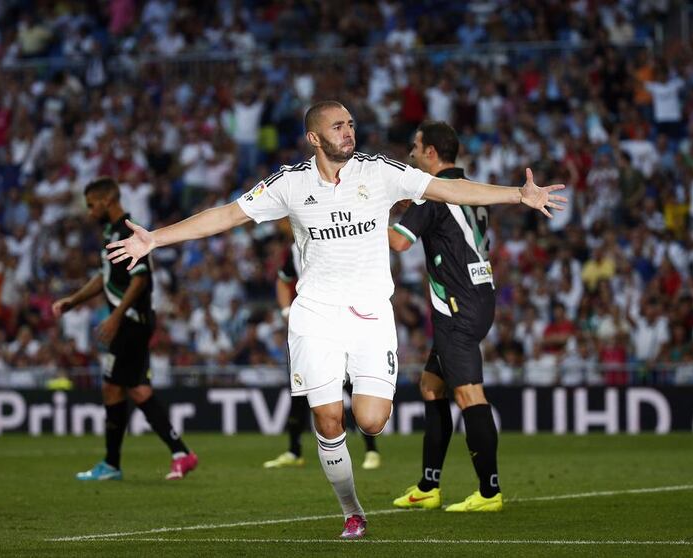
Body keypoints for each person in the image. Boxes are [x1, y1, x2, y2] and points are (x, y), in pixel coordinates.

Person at [105, 101, 566, 539]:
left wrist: (516, 195)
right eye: (339, 126)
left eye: (351, 124)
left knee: (370, 421)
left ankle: (370, 462)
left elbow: (447, 188)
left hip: (370, 316)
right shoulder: (289, 183)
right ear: (314, 138)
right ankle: (352, 512)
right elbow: (227, 215)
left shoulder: (380, 171)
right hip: (314, 315)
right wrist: (156, 240)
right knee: (327, 421)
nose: (350, 131)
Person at [388, 121, 503, 512]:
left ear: (432, 153)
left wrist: (365, 216)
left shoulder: (432, 197)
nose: (411, 154)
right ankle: (428, 485)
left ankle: (490, 492)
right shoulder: (473, 191)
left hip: (457, 305)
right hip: (480, 296)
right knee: (431, 387)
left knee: (470, 395)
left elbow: (399, 242)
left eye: (415, 147)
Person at [52, 177, 198, 481]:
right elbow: (105, 277)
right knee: (131, 388)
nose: (89, 212)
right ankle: (177, 454)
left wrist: (116, 316)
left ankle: (117, 463)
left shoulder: (128, 232)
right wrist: (74, 301)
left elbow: (140, 278)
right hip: (131, 320)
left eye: (92, 205)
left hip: (132, 321)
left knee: (118, 386)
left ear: (107, 201)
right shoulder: (111, 231)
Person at [264, 243, 381, 470]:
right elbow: (283, 279)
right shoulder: (297, 248)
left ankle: (372, 450)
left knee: (351, 387)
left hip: (339, 326)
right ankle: (294, 451)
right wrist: (286, 311)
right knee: (299, 393)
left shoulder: (335, 240)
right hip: (309, 330)